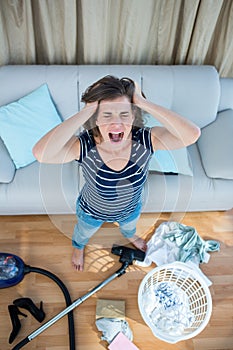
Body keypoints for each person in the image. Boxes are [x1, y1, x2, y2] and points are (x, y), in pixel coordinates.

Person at [33, 76, 200, 272]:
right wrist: (87, 110)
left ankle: (130, 236)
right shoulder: (85, 145)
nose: (116, 124)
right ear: (95, 118)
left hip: (130, 208)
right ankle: (78, 248)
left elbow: (192, 134)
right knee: (82, 234)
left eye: (124, 114)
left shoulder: (146, 139)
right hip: (91, 211)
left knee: (129, 228)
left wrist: (142, 101)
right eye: (106, 115)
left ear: (133, 115)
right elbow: (41, 154)